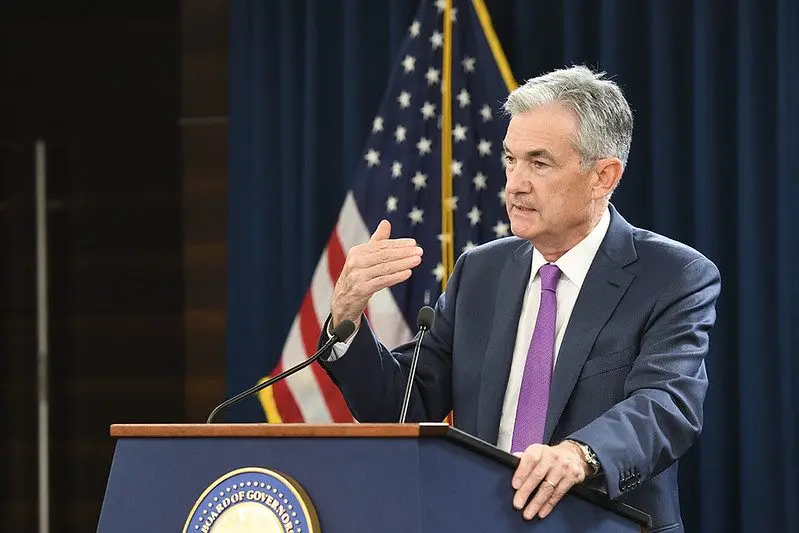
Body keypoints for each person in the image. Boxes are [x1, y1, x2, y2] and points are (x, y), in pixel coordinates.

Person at [317, 65, 720, 531]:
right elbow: (402, 407)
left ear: (603, 177)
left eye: (539, 162)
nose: (515, 183)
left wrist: (581, 454)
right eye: (510, 159)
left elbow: (667, 403)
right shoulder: (480, 271)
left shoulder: (673, 275)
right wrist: (345, 318)